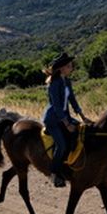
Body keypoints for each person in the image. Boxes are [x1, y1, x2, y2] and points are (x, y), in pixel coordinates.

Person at [42, 52, 93, 187]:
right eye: (69, 65)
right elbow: (57, 106)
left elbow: (72, 100)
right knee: (62, 145)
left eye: (71, 65)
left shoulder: (67, 81)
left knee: (82, 131)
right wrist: (66, 123)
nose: (71, 67)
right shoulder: (54, 83)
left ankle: (70, 164)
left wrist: (83, 117)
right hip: (53, 119)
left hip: (65, 116)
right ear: (61, 68)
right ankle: (54, 173)